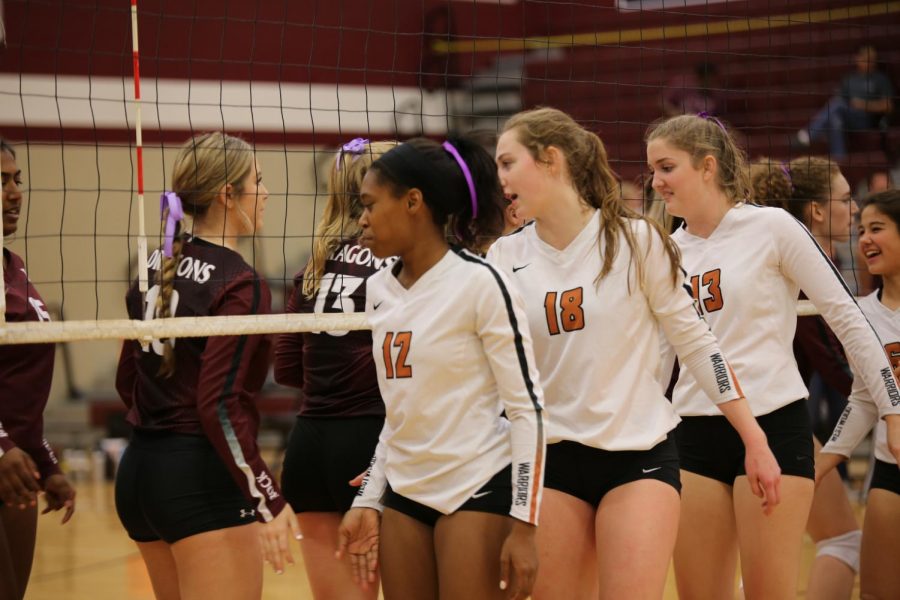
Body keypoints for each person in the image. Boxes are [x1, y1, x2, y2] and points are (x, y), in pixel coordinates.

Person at [489, 107, 779, 600]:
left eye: (508, 162)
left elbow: (697, 343)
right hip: (550, 461)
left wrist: (754, 438)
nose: (501, 179)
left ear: (550, 160)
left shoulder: (636, 240)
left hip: (638, 459)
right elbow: (483, 376)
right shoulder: (504, 257)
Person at [646, 113, 900, 599]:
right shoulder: (665, 250)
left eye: (666, 167)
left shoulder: (770, 227)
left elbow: (849, 319)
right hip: (693, 433)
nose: (656, 181)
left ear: (706, 166)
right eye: (653, 169)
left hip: (774, 426)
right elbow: (659, 361)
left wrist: (892, 409)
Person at [337, 136, 546, 600]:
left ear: (413, 202)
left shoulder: (482, 282)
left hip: (476, 486)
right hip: (406, 492)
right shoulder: (377, 289)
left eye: (370, 205)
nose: (361, 219)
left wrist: (525, 526)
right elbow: (400, 411)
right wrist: (369, 498)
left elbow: (527, 409)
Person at [114, 132, 300, 600]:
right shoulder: (242, 283)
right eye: (258, 181)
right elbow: (218, 403)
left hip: (139, 474)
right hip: (198, 479)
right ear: (227, 194)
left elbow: (127, 379)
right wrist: (268, 497)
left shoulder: (153, 265)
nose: (267, 192)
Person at [274, 138, 397, 600]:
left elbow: (286, 366)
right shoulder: (399, 260)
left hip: (307, 447)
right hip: (369, 447)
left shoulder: (315, 264)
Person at [750, 156, 862, 600]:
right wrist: (887, 400)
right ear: (816, 211)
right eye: (847, 199)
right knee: (841, 540)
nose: (855, 209)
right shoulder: (803, 263)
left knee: (757, 560)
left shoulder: (765, 252)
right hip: (774, 424)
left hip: (738, 418)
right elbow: (835, 363)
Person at [0, 139, 76, 600]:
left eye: (16, 181)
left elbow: (16, 391)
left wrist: (45, 462)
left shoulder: (14, 268)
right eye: (0, 182)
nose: (14, 193)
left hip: (15, 468)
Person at [819, 189, 900, 600]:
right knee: (876, 594)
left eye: (877, 229)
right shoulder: (862, 314)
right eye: (861, 229)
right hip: (891, 471)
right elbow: (866, 399)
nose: (864, 238)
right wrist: (823, 464)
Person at [797, 46, 894, 161]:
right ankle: (840, 161)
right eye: (864, 58)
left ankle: (809, 135)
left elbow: (888, 106)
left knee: (836, 106)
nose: (868, 62)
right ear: (857, 59)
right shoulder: (850, 79)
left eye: (871, 59)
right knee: (835, 118)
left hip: (867, 120)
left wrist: (863, 104)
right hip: (848, 118)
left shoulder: (880, 79)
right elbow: (840, 99)